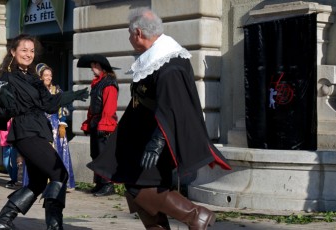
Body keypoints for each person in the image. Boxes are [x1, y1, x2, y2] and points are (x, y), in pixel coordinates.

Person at [87, 8, 231, 230]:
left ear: (138, 33)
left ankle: (196, 216)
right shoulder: (154, 59)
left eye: (129, 33)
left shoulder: (169, 63)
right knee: (136, 189)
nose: (129, 37)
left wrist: (156, 144)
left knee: (140, 187)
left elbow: (172, 107)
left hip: (156, 142)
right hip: (140, 139)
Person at [0, 34, 89, 230]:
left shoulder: (34, 78)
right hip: (25, 131)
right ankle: (54, 225)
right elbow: (5, 108)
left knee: (37, 182)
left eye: (31, 50)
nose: (28, 54)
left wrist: (72, 95)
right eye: (23, 50)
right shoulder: (7, 78)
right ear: (13, 52)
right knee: (59, 173)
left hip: (38, 129)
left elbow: (49, 104)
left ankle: (4, 221)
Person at [77, 54, 119, 197]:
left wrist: (104, 125)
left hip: (104, 125)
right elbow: (93, 107)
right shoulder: (97, 83)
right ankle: (100, 183)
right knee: (95, 154)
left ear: (102, 67)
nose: (92, 68)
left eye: (95, 65)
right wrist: (89, 124)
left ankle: (108, 185)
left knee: (104, 155)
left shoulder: (109, 83)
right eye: (92, 65)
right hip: (97, 123)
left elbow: (109, 107)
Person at [0, 119, 18, 189]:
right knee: (5, 163)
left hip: (14, 143)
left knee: (14, 163)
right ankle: (13, 179)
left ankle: (14, 180)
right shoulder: (2, 118)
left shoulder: (15, 117)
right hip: (6, 143)